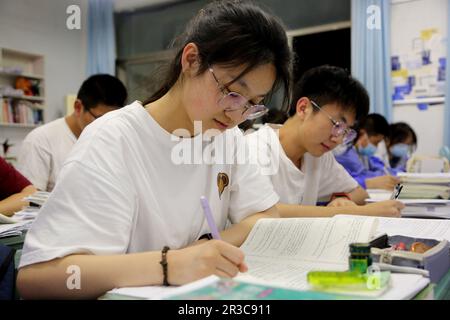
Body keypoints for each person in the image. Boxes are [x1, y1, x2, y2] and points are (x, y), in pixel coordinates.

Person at [17, 0, 292, 299]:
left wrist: (208, 248)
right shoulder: (114, 139)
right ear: (191, 60)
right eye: (233, 93)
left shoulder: (228, 138)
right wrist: (170, 264)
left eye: (253, 104)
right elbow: (36, 281)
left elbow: (265, 215)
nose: (236, 114)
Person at [245, 66, 404, 218]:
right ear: (303, 108)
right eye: (336, 125)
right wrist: (359, 212)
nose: (339, 139)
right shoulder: (255, 148)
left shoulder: (318, 155)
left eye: (345, 131)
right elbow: (268, 212)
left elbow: (359, 194)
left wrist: (342, 200)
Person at [17, 74, 128, 192]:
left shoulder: (112, 139)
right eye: (100, 118)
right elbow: (29, 201)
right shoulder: (40, 140)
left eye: (112, 119)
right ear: (78, 107)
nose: (106, 126)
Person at [335, 113, 400, 190]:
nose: (376, 147)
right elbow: (353, 179)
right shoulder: (347, 155)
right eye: (375, 142)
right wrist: (370, 182)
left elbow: (373, 170)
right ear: (362, 133)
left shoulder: (362, 155)